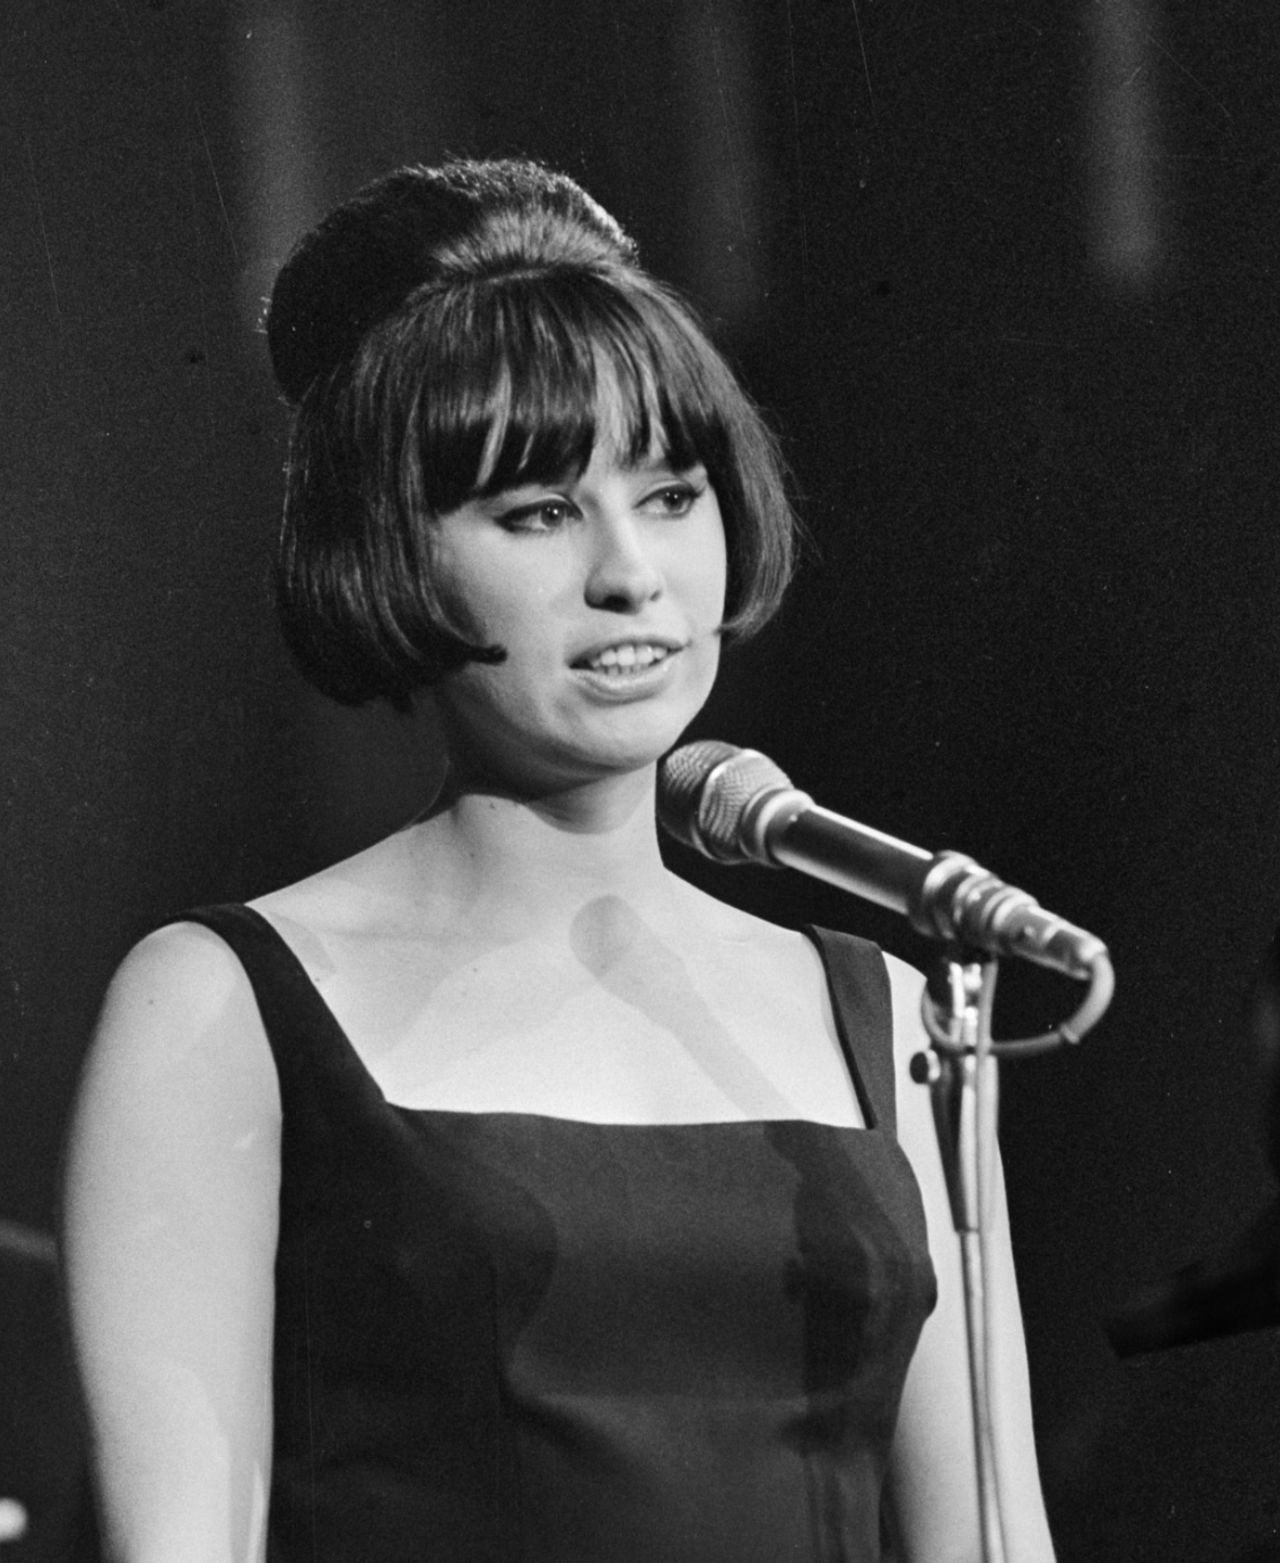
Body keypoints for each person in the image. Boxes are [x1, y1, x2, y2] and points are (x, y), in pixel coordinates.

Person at [62, 158, 1057, 1563]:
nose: (630, 575)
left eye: (670, 496)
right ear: (389, 545)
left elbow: (992, 1537)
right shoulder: (222, 1005)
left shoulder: (893, 1009)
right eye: (537, 514)